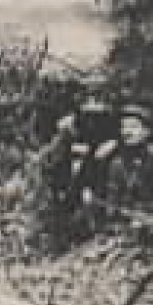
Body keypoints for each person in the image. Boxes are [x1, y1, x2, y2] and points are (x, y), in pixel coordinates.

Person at [32, 82, 117, 250]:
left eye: (97, 99)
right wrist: (68, 144)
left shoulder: (111, 122)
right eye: (88, 99)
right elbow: (51, 160)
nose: (92, 104)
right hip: (70, 177)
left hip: (99, 173)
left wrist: (112, 144)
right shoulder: (70, 126)